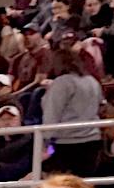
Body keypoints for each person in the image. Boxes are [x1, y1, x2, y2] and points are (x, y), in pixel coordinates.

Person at [41, 44, 106, 179]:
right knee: (85, 183)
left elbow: (52, 113)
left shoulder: (62, 83)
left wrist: (46, 141)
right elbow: (102, 106)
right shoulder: (92, 81)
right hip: (93, 140)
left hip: (67, 143)